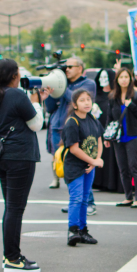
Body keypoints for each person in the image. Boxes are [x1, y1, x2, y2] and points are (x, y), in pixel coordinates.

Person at [0, 59, 48, 272]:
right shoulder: (17, 95)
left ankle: (9, 256)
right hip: (20, 158)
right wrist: (37, 103)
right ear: (13, 75)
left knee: (10, 207)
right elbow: (36, 124)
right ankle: (13, 259)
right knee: (15, 208)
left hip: (1, 158)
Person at [44, 56, 96, 196]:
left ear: (80, 68)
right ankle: (74, 199)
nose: (66, 70)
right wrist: (49, 92)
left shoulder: (88, 84)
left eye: (70, 67)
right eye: (65, 67)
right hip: (58, 127)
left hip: (78, 129)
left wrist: (61, 85)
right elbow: (50, 108)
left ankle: (87, 201)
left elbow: (74, 99)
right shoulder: (63, 84)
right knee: (66, 166)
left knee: (81, 166)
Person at [61, 89, 105, 247]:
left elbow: (99, 139)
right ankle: (72, 231)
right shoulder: (72, 122)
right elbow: (74, 149)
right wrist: (93, 162)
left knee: (85, 199)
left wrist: (97, 158)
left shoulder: (92, 118)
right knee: (76, 198)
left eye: (88, 99)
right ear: (74, 104)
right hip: (75, 167)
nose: (87, 103)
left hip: (89, 166)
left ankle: (83, 231)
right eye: (82, 100)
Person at [109, 68, 137, 208]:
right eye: (121, 77)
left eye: (126, 77)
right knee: (123, 168)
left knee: (133, 167)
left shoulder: (136, 96)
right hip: (118, 137)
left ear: (131, 79)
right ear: (117, 80)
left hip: (132, 136)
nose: (124, 79)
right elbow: (110, 118)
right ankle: (128, 197)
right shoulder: (113, 97)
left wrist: (130, 105)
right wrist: (108, 137)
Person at [91, 69, 121, 193]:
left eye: (106, 78)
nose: (103, 81)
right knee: (101, 155)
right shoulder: (95, 96)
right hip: (99, 131)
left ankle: (114, 183)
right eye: (101, 78)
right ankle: (101, 182)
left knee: (114, 157)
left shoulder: (116, 95)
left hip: (114, 132)